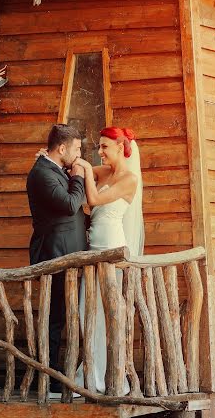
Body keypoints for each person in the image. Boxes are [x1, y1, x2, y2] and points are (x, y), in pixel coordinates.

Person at [73, 126, 144, 394]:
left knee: (106, 313)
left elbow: (93, 198)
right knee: (86, 309)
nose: (100, 152)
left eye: (104, 147)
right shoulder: (103, 172)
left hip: (112, 248)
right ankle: (91, 371)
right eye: (99, 147)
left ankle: (107, 376)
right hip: (93, 248)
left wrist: (84, 169)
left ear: (120, 147)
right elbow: (79, 171)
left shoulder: (129, 179)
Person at [26, 124, 88, 395]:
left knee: (61, 317)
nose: (78, 155)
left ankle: (55, 372)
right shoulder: (41, 173)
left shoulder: (54, 169)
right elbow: (68, 204)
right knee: (54, 319)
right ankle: (48, 376)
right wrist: (78, 178)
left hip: (68, 255)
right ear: (62, 148)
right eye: (76, 149)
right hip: (55, 254)